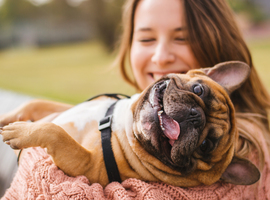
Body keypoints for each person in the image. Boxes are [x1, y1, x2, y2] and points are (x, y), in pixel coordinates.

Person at [1, 0, 270, 199]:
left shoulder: (247, 147)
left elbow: (42, 191)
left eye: (182, 37)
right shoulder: (135, 112)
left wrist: (34, 147)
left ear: (216, 43)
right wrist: (36, 110)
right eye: (146, 38)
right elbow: (84, 118)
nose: (161, 56)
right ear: (127, 43)